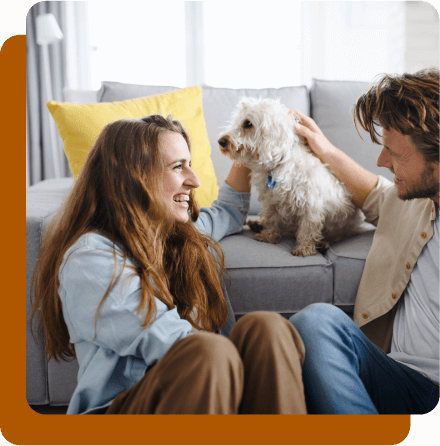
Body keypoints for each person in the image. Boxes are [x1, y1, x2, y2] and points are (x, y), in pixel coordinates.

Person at [29, 114, 307, 415]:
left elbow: (227, 211)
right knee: (206, 352)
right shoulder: (89, 259)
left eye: (190, 164)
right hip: (124, 411)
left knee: (266, 329)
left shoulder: (180, 235)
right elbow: (163, 339)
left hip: (209, 390)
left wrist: (250, 140)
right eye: (178, 167)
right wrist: (245, 369)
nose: (195, 180)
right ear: (134, 176)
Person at [288, 67, 439, 414]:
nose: (381, 161)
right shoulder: (416, 202)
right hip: (399, 378)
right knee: (315, 323)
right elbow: (376, 196)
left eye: (395, 154)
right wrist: (324, 149)